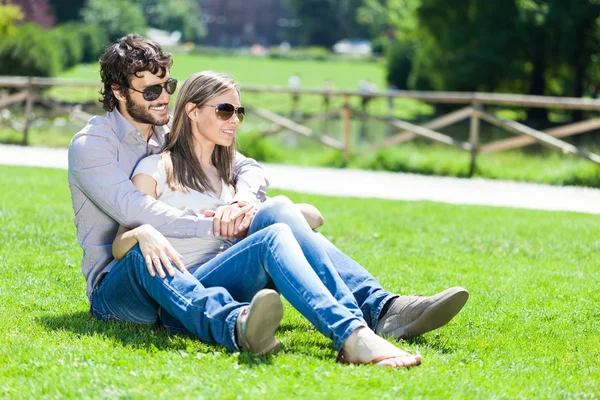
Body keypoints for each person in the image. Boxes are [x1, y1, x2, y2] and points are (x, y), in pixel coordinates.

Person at [113, 70, 469, 368]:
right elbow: (120, 245)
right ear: (191, 111)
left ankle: (377, 310)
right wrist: (144, 232)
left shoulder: (231, 174)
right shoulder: (155, 168)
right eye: (224, 110)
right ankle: (359, 330)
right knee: (276, 226)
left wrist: (249, 208)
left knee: (279, 211)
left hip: (235, 273)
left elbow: (312, 217)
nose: (234, 119)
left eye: (239, 111)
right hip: (188, 289)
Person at [68, 34, 293, 355]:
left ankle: (370, 308)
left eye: (167, 86)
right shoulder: (91, 146)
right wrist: (216, 225)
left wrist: (241, 202)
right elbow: (137, 210)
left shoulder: (170, 129)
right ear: (118, 92)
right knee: (143, 245)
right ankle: (236, 325)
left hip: (185, 270)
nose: (163, 99)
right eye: (150, 91)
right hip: (119, 286)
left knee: (277, 225)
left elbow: (247, 167)